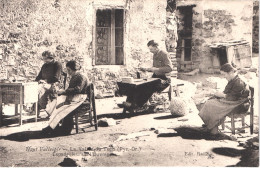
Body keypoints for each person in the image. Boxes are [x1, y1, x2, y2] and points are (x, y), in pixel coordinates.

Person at [199, 63, 250, 135]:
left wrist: (222, 95)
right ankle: (211, 125)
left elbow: (233, 97)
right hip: (233, 102)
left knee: (211, 105)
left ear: (231, 72)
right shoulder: (232, 80)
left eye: (224, 74)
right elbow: (227, 92)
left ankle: (213, 128)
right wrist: (217, 94)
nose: (224, 77)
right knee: (208, 101)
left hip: (239, 105)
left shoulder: (239, 82)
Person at [121, 40, 173, 110]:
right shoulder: (155, 54)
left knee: (148, 87)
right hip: (156, 77)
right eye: (149, 49)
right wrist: (146, 69)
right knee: (138, 85)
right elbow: (154, 69)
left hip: (164, 80)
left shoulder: (164, 54)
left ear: (156, 47)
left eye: (151, 49)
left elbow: (169, 68)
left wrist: (157, 69)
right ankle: (129, 102)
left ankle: (137, 105)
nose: (150, 51)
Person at [42, 60, 89, 136]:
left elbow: (78, 89)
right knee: (55, 105)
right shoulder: (75, 76)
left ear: (74, 69)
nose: (68, 72)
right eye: (67, 70)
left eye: (69, 70)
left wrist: (64, 92)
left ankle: (59, 129)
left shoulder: (81, 76)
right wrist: (63, 91)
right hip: (75, 97)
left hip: (81, 99)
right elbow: (72, 89)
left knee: (61, 110)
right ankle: (54, 126)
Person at [36, 51, 62, 117]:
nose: (44, 60)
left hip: (54, 84)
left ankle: (43, 108)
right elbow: (39, 76)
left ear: (51, 58)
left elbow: (56, 77)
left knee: (40, 90)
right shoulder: (44, 65)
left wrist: (45, 81)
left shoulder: (57, 64)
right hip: (44, 84)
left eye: (45, 58)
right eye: (43, 58)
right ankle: (36, 109)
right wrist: (38, 81)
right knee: (35, 89)